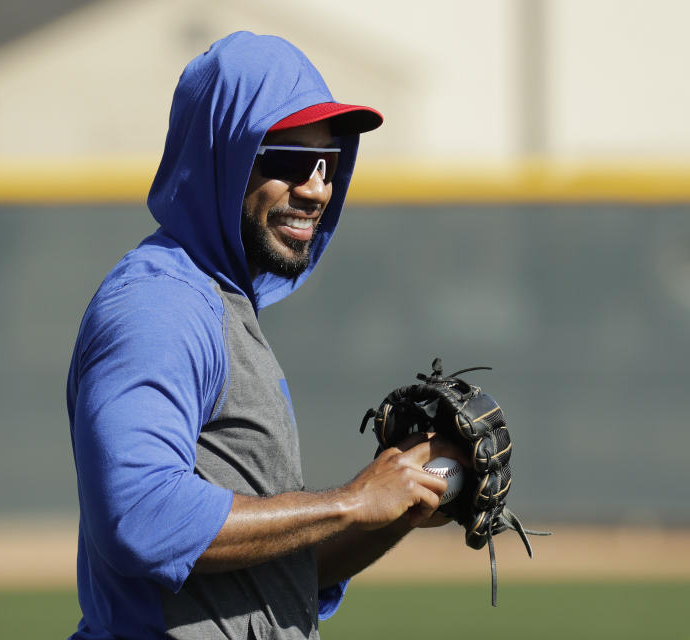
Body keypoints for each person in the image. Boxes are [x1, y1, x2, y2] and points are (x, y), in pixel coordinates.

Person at [66, 31, 455, 640]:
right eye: (291, 159)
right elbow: (137, 517)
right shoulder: (160, 305)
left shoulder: (220, 305)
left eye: (329, 163)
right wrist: (350, 502)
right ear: (224, 153)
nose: (317, 187)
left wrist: (393, 509)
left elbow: (271, 574)